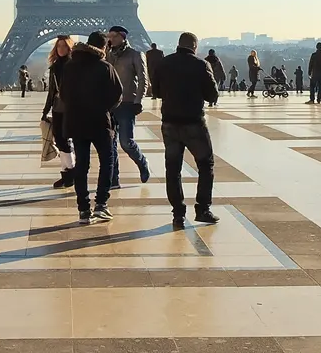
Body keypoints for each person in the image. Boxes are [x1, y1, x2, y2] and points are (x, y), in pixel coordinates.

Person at [153, 32, 221, 228]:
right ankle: (203, 209)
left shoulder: (164, 63)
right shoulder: (201, 65)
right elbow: (212, 95)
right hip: (193, 122)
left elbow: (156, 91)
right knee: (205, 165)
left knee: (173, 169)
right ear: (195, 47)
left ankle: (178, 213)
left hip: (170, 122)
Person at [62, 33, 123, 223]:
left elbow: (63, 94)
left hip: (76, 121)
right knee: (107, 161)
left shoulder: (70, 67)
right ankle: (101, 205)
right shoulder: (105, 67)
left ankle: (83, 209)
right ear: (104, 48)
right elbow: (117, 94)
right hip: (99, 121)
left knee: (82, 164)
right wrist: (104, 108)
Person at [102, 25, 151, 188]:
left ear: (123, 37)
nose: (111, 38)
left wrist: (138, 101)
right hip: (109, 104)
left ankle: (142, 163)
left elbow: (144, 80)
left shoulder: (135, 55)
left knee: (126, 142)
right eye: (109, 36)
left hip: (127, 103)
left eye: (114, 36)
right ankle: (114, 179)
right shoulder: (107, 55)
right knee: (111, 144)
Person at [43, 35, 77, 189]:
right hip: (58, 106)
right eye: (58, 46)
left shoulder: (74, 65)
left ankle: (70, 173)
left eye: (64, 46)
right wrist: (46, 109)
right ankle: (67, 174)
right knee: (59, 140)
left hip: (71, 107)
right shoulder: (55, 66)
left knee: (65, 140)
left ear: (69, 48)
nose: (61, 49)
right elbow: (51, 90)